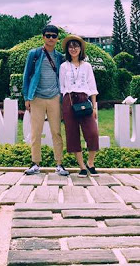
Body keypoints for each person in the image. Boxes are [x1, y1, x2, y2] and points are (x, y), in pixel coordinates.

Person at [22, 25, 69, 176]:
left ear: (57, 38)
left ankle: (59, 164)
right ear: (43, 37)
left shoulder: (60, 57)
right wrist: (27, 97)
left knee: (56, 132)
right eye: (48, 35)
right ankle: (35, 163)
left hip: (55, 97)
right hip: (37, 97)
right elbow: (26, 76)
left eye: (54, 36)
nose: (51, 38)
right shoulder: (34, 54)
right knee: (36, 132)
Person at [59, 35, 100, 177]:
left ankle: (90, 163)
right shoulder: (64, 66)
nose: (73, 49)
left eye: (76, 46)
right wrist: (63, 107)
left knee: (92, 133)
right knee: (72, 133)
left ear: (80, 48)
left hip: (84, 99)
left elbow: (92, 87)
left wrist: (94, 107)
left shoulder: (87, 66)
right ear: (67, 49)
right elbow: (62, 87)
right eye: (70, 47)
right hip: (69, 100)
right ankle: (82, 166)